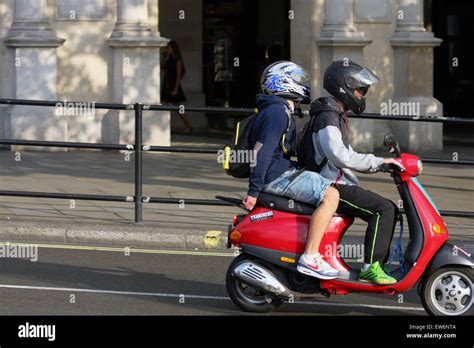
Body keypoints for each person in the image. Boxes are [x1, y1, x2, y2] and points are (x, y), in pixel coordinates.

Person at [308, 60, 405, 284]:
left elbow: (347, 153)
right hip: (331, 186)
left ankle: (377, 264)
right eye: (361, 91)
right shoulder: (328, 117)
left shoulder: (335, 114)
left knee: (386, 207)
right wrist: (379, 163)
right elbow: (339, 155)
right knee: (384, 209)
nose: (362, 96)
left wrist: (381, 163)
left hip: (337, 183)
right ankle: (371, 267)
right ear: (346, 87)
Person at [243, 61, 340, 279]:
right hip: (275, 176)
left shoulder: (278, 108)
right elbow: (262, 152)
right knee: (331, 196)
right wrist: (253, 191)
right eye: (296, 79)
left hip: (279, 171)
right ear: (281, 82)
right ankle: (310, 257)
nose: (301, 84)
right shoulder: (277, 112)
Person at [161, 40, 192, 134]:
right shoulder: (168, 59)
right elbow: (161, 67)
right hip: (166, 83)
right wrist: (164, 57)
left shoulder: (177, 60)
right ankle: (163, 126)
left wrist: (176, 88)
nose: (167, 50)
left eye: (168, 48)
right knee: (163, 103)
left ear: (173, 49)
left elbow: (178, 75)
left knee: (178, 107)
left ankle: (188, 125)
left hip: (174, 84)